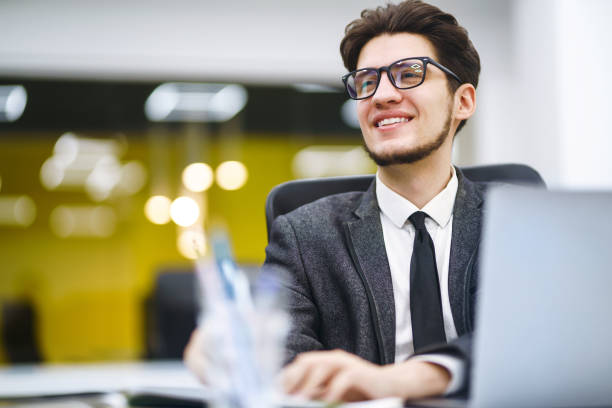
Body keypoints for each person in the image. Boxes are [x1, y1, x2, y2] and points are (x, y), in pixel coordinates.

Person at [186, 0, 481, 402]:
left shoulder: (516, 223)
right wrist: (244, 355)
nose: (382, 95)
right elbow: (287, 360)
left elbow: (535, 336)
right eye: (366, 81)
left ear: (463, 101)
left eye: (408, 74)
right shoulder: (306, 234)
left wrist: (410, 379)